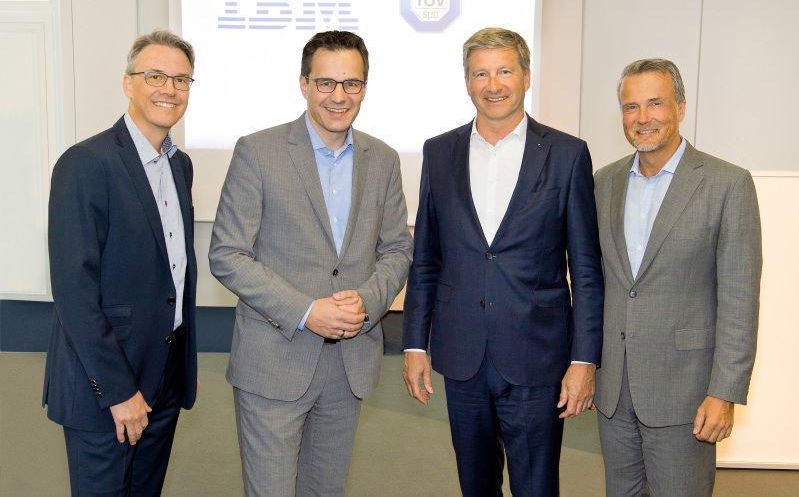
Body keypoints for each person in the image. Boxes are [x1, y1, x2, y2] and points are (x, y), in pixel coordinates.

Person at [209, 30, 412, 496]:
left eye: (351, 83)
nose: (338, 96)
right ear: (304, 84)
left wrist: (365, 302)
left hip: (349, 363)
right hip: (274, 361)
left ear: (364, 87)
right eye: (325, 83)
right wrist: (306, 311)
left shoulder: (382, 159)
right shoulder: (258, 151)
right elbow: (227, 253)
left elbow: (398, 249)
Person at [402, 27, 604, 496]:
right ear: (467, 82)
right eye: (481, 74)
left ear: (526, 77)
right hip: (462, 355)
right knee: (476, 486)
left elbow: (586, 271)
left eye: (505, 71)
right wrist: (414, 344)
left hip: (538, 357)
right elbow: (426, 259)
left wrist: (584, 359)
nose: (493, 85)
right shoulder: (439, 152)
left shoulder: (567, 154)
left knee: (536, 487)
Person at [593, 58, 762, 496]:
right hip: (614, 393)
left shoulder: (727, 184)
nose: (642, 118)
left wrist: (724, 393)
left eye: (655, 103)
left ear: (681, 108)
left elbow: (740, 300)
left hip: (686, 394)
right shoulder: (604, 183)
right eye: (631, 107)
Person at [44, 29, 199, 495]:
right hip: (106, 387)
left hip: (163, 376)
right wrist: (118, 391)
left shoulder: (179, 165)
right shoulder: (85, 163)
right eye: (155, 76)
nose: (169, 89)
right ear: (128, 83)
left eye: (181, 79)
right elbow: (74, 292)